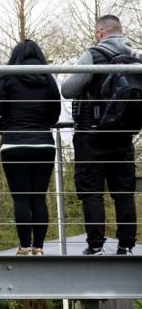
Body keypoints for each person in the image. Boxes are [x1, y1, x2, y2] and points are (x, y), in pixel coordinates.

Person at [61, 14, 138, 255]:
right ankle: (126, 245)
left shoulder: (93, 55)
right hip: (124, 134)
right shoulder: (136, 57)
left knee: (91, 190)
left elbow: (69, 89)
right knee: (124, 191)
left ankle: (95, 245)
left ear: (100, 33)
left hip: (91, 134)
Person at [0, 39, 61, 256]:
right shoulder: (48, 79)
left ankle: (24, 246)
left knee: (20, 197)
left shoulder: (8, 76)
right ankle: (39, 247)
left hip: (14, 144)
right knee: (38, 196)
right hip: (44, 144)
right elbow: (54, 115)